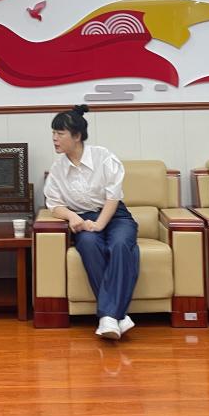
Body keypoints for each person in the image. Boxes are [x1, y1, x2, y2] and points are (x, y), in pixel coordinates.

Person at [43, 105, 139, 340]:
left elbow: (113, 197)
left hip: (116, 216)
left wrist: (100, 224)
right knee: (87, 243)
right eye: (53, 133)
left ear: (76, 136)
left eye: (60, 133)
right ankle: (117, 318)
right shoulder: (58, 168)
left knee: (120, 245)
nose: (54, 138)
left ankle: (109, 316)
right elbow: (53, 204)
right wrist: (72, 217)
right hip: (84, 218)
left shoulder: (103, 157)